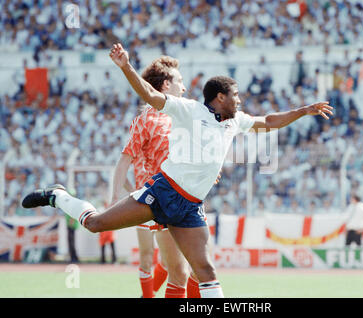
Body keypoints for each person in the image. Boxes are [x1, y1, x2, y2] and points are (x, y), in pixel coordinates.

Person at [22, 43, 333, 298]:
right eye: (236, 96)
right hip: (161, 192)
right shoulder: (190, 110)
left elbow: (270, 121)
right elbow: (150, 96)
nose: (240, 100)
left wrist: (304, 111)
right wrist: (125, 66)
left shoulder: (236, 121)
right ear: (220, 98)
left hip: (189, 207)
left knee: (203, 272)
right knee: (95, 224)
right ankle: (58, 196)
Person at [111, 56, 200, 298]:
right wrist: (115, 199)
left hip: (188, 200)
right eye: (179, 81)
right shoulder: (147, 119)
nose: (184, 87)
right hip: (159, 202)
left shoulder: (184, 115)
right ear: (164, 85)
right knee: (174, 269)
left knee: (197, 270)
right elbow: (124, 161)